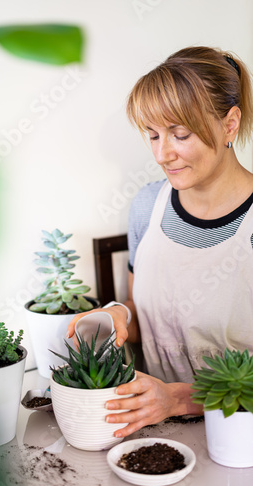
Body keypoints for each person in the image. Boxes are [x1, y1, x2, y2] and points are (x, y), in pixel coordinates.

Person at [66, 46, 253, 438]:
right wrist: (119, 315)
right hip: (155, 430)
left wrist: (180, 399)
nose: (162, 153)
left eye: (180, 134)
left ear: (230, 125)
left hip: (238, 440)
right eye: (152, 135)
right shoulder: (148, 205)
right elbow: (149, 315)